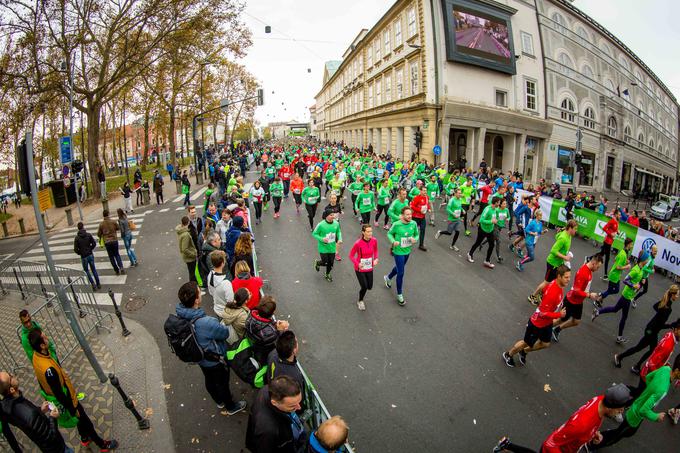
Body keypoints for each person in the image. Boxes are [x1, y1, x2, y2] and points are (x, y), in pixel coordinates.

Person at [28, 329, 118, 450]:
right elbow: (59, 393)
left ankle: (84, 438)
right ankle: (102, 444)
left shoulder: (36, 356)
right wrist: (72, 409)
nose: (47, 338)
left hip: (67, 397)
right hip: (69, 399)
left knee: (81, 421)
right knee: (86, 421)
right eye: (45, 337)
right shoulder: (49, 369)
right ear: (42, 345)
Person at [175, 281, 247, 414]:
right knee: (223, 383)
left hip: (199, 356)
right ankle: (231, 406)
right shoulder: (205, 322)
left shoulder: (181, 314)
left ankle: (218, 401)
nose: (201, 294)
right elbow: (224, 333)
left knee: (209, 380)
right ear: (196, 300)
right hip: (214, 359)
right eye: (199, 292)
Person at [493, 384, 631, 453]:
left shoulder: (601, 400)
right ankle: (507, 445)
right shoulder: (581, 425)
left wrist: (594, 433)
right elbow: (551, 444)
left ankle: (507, 445)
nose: (621, 412)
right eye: (620, 409)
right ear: (610, 407)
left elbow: (590, 423)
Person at [590, 355, 680, 450]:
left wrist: (649, 391)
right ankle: (592, 445)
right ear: (677, 371)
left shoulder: (665, 369)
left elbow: (648, 377)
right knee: (616, 437)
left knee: (625, 432)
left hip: (635, 407)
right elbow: (643, 410)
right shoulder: (662, 390)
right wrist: (656, 417)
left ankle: (599, 437)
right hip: (635, 417)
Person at [503, 265, 570, 367]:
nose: (568, 280)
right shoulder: (553, 291)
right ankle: (508, 354)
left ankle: (524, 352)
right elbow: (543, 313)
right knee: (525, 342)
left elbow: (544, 296)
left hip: (547, 323)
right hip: (537, 323)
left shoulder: (558, 286)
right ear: (559, 276)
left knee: (545, 344)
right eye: (566, 277)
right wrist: (558, 314)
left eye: (569, 277)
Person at [0, 370, 74, 453]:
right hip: (57, 449)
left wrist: (40, 410)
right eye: (10, 377)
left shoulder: (11, 403)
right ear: (12, 390)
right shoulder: (27, 414)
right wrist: (52, 418)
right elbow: (50, 438)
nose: (12, 374)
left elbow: (33, 425)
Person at [615, 285, 678, 372]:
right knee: (638, 348)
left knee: (652, 350)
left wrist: (659, 316)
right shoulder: (668, 308)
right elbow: (661, 324)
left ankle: (637, 366)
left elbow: (655, 307)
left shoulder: (665, 302)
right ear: (672, 295)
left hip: (652, 329)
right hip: (651, 331)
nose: (678, 297)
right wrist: (670, 325)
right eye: (677, 295)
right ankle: (620, 357)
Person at [592, 251, 650, 344]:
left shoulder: (641, 268)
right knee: (623, 316)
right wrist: (633, 286)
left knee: (616, 310)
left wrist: (641, 282)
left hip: (629, 296)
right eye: (647, 259)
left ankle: (598, 312)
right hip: (626, 296)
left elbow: (637, 281)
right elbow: (625, 280)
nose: (648, 260)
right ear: (643, 260)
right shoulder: (635, 270)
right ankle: (619, 336)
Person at [245, 376, 306, 453]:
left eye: (299, 402)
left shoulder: (268, 390)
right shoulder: (268, 431)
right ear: (274, 402)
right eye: (292, 405)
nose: (299, 407)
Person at [552, 254, 604, 342]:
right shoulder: (583, 272)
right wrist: (589, 295)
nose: (598, 269)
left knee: (576, 321)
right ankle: (540, 328)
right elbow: (576, 291)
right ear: (594, 263)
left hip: (578, 302)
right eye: (598, 267)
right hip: (571, 301)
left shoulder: (589, 270)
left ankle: (557, 330)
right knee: (559, 320)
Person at [528, 220, 577, 305]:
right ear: (570, 228)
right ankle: (532, 296)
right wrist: (565, 257)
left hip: (558, 263)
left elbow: (556, 237)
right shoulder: (563, 238)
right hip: (552, 264)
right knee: (546, 282)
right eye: (575, 229)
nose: (576, 231)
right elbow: (553, 250)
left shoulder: (568, 235)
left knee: (554, 282)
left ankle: (541, 294)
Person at [384, 206, 419, 306]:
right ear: (403, 215)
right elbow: (389, 234)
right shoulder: (397, 224)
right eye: (407, 214)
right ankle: (400, 294)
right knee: (401, 272)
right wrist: (393, 241)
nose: (409, 216)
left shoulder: (413, 223)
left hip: (407, 250)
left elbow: (416, 234)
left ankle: (388, 277)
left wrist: (415, 239)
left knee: (400, 268)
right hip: (398, 251)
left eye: (410, 214)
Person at [266, 331, 306, 403]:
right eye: (296, 342)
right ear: (294, 350)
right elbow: (297, 397)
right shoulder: (294, 375)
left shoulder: (272, 354)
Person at [349, 224, 378, 311]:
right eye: (368, 231)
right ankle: (360, 301)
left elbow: (376, 250)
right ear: (363, 232)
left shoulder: (374, 240)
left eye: (371, 231)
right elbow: (351, 255)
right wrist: (358, 264)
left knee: (370, 286)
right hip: (360, 268)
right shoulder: (358, 243)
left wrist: (376, 259)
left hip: (369, 267)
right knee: (364, 286)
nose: (370, 233)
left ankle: (363, 294)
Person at [596, 238, 633, 306]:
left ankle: (600, 297)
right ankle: (599, 298)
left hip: (616, 275)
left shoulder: (623, 251)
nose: (632, 246)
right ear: (628, 245)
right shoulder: (623, 254)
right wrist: (626, 267)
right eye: (631, 245)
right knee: (615, 290)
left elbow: (616, 258)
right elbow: (618, 267)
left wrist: (625, 262)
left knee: (611, 290)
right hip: (614, 275)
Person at [467, 195, 500, 269]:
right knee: (478, 243)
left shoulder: (495, 209)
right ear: (495, 203)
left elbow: (495, 217)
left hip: (490, 230)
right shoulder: (487, 209)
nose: (499, 204)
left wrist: (496, 220)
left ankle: (487, 261)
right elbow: (481, 220)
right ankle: (470, 254)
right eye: (499, 202)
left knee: (492, 245)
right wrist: (491, 221)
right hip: (483, 229)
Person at [313, 209, 342, 282]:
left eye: (333, 215)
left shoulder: (336, 223)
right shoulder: (321, 224)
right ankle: (318, 263)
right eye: (331, 215)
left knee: (331, 263)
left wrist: (340, 238)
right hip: (323, 247)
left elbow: (338, 231)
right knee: (325, 262)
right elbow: (314, 234)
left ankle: (327, 273)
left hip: (332, 247)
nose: (333, 216)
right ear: (326, 216)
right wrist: (322, 239)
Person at [73, 222, 101, 290]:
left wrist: (80, 253)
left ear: (78, 228)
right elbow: (94, 243)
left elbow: (75, 249)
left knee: (86, 271)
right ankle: (98, 283)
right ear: (83, 227)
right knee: (93, 269)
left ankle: (93, 284)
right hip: (90, 254)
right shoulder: (88, 235)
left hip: (84, 257)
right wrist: (90, 249)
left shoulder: (77, 238)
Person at [434, 187, 464, 251]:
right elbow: (448, 209)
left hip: (457, 219)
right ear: (455, 193)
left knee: (457, 232)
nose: (460, 194)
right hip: (451, 219)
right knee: (449, 233)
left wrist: (462, 210)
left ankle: (453, 245)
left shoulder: (460, 199)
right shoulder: (452, 200)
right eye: (458, 193)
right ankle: (440, 232)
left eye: (460, 193)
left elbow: (459, 206)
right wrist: (453, 214)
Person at [97, 209, 124, 275]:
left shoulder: (101, 224)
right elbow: (118, 228)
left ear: (103, 216)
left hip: (107, 242)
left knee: (111, 257)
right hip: (114, 240)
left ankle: (116, 270)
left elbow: (98, 234)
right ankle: (121, 267)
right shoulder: (113, 222)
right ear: (108, 214)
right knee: (117, 254)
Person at [207, 251, 233, 319]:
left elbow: (210, 292)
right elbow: (230, 301)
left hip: (217, 308)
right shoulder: (226, 283)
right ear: (222, 263)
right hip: (226, 313)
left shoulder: (210, 275)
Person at [599, 209, 621, 280]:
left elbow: (614, 229)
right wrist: (610, 234)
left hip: (610, 241)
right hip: (607, 241)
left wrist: (617, 231)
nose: (620, 216)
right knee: (607, 258)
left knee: (602, 253)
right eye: (619, 215)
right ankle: (605, 275)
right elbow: (604, 228)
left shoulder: (616, 222)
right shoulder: (612, 221)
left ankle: (589, 258)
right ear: (616, 215)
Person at [177, 216, 198, 282]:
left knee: (192, 273)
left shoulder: (181, 231)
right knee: (193, 274)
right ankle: (193, 288)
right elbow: (185, 249)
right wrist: (194, 254)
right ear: (188, 223)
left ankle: (193, 287)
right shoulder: (186, 234)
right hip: (190, 258)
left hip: (187, 257)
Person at [409, 185, 430, 251]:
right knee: (412, 231)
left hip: (422, 217)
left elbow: (427, 204)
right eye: (423, 190)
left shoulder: (427, 197)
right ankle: (407, 242)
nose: (425, 192)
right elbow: (412, 206)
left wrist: (428, 209)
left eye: (426, 191)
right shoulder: (417, 198)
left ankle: (421, 245)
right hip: (415, 217)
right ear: (420, 191)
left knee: (423, 230)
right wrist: (419, 210)